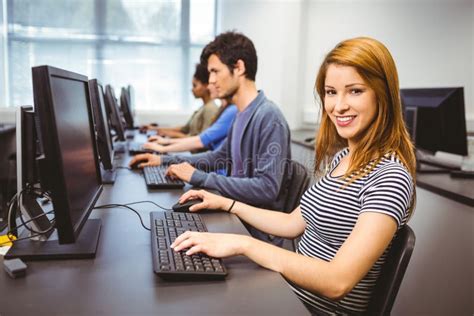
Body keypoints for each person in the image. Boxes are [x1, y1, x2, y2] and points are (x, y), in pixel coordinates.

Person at [169, 37, 417, 315]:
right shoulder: (342, 159)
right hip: (289, 292)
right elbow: (292, 222)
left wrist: (243, 244)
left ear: (382, 94)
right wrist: (226, 203)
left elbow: (338, 281)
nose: (338, 106)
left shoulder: (390, 177)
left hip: (311, 308)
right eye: (331, 92)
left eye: (355, 91)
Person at [129, 31, 292, 245]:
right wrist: (164, 160)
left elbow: (266, 188)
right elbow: (218, 157)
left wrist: (200, 177)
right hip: (236, 215)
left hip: (256, 233)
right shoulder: (242, 114)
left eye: (215, 71)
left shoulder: (268, 117)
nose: (211, 81)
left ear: (239, 68)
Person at [144, 82, 238, 153]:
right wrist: (163, 138)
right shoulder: (223, 109)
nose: (209, 86)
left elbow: (201, 141)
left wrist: (164, 146)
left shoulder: (230, 110)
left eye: (212, 83)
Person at [142, 63, 219, 138]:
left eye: (195, 85)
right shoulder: (203, 107)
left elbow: (202, 141)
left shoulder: (210, 108)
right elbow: (184, 129)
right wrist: (155, 129)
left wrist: (170, 134)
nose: (192, 89)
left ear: (206, 86)